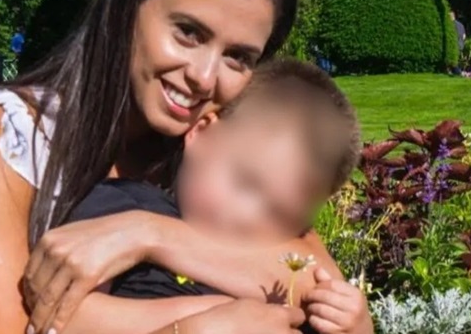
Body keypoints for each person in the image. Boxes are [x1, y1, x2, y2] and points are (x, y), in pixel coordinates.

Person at [0, 0, 372, 334]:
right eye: (188, 32)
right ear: (130, 0)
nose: (204, 77)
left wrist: (145, 235)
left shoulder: (222, 148)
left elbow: (312, 281)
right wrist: (195, 329)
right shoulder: (7, 141)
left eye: (238, 56)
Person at [57, 59, 367, 334]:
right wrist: (205, 318)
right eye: (245, 181)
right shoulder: (121, 207)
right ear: (201, 131)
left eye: (280, 215)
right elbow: (62, 318)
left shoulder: (283, 262)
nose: (249, 217)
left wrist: (355, 325)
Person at [451, 11, 466, 75]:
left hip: (455, 45)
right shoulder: (461, 25)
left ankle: (458, 72)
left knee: (454, 60)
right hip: (461, 44)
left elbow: (453, 36)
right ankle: (458, 71)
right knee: (458, 59)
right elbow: (464, 36)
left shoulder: (452, 25)